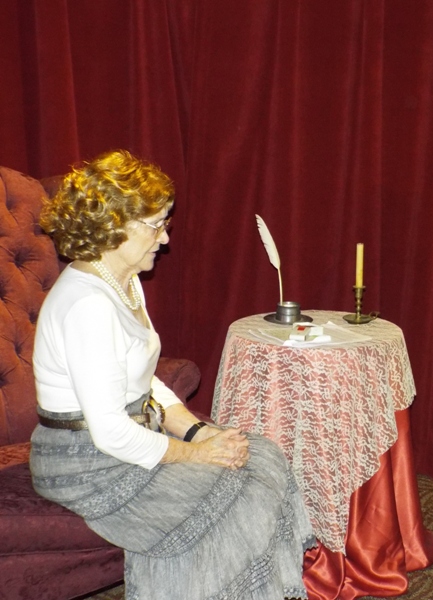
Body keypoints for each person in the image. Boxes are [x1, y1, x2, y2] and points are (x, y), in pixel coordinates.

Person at [29, 150, 315, 600]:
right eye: (156, 224)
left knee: (262, 456)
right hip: (84, 463)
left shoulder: (123, 281)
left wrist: (198, 432)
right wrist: (198, 456)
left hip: (124, 440)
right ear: (115, 225)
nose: (164, 237)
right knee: (232, 492)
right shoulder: (87, 304)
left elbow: (144, 381)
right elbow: (110, 433)